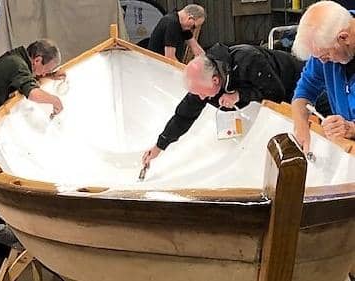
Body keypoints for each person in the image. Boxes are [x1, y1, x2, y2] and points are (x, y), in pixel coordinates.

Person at [142, 43, 304, 166]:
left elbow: (276, 93)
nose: (200, 97)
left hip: (298, 81)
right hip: (272, 90)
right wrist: (159, 145)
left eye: (202, 93)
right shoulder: (203, 83)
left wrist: (239, 95)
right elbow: (184, 115)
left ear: (215, 80)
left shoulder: (248, 60)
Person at [0, 39, 65, 228]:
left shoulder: (15, 58)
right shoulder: (17, 65)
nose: (45, 73)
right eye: (47, 68)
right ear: (37, 60)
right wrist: (55, 101)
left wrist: (50, 76)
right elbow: (32, 93)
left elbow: (27, 78)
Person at [291, 1, 355, 154]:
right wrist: (301, 127)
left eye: (325, 56)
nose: (322, 62)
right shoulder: (326, 43)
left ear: (344, 38)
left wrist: (352, 129)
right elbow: (304, 91)